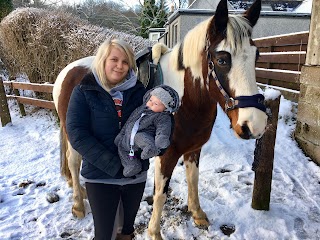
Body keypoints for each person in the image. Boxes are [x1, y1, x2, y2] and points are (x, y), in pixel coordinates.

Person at [66, 38, 149, 240]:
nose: (120, 66)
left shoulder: (140, 92)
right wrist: (112, 165)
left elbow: (152, 124)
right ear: (103, 60)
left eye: (125, 61)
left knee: (127, 231)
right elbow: (77, 133)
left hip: (135, 176)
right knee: (105, 234)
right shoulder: (84, 91)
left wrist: (156, 144)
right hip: (100, 176)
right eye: (114, 59)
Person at [114, 85, 179, 177]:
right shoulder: (140, 110)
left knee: (140, 137)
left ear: (165, 108)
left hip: (142, 136)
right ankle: (132, 165)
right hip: (128, 137)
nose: (151, 103)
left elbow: (163, 130)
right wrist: (121, 135)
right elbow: (129, 122)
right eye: (150, 100)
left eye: (156, 104)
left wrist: (161, 140)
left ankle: (150, 148)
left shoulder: (162, 117)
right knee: (121, 147)